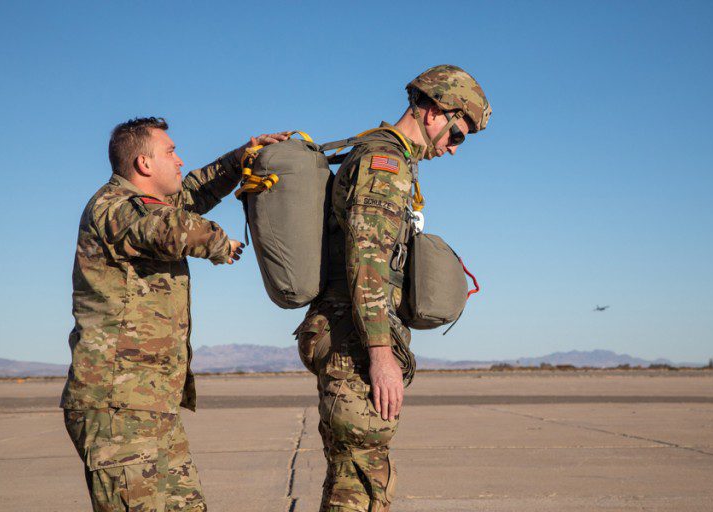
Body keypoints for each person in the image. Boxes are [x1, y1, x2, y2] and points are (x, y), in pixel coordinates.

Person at [60, 117, 288, 512]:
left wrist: (239, 159)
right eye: (171, 152)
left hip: (152, 405)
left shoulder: (148, 203)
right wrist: (218, 241)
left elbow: (194, 191)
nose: (180, 160)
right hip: (118, 409)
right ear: (144, 164)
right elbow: (165, 228)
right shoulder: (114, 207)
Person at [294, 65, 491, 511]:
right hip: (355, 345)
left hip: (350, 336)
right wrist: (381, 356)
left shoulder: (384, 158)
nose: (454, 150)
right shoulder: (385, 163)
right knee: (363, 485)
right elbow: (367, 261)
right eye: (457, 135)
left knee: (352, 479)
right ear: (435, 112)